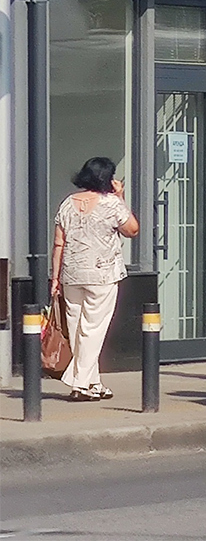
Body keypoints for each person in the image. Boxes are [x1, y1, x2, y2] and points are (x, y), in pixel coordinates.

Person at [50, 158, 140, 402]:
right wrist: (120, 196)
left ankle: (94, 383)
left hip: (71, 274)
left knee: (77, 328)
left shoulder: (67, 203)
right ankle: (79, 383)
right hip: (102, 274)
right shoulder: (111, 203)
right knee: (92, 330)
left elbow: (59, 243)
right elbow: (132, 230)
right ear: (107, 178)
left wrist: (55, 278)